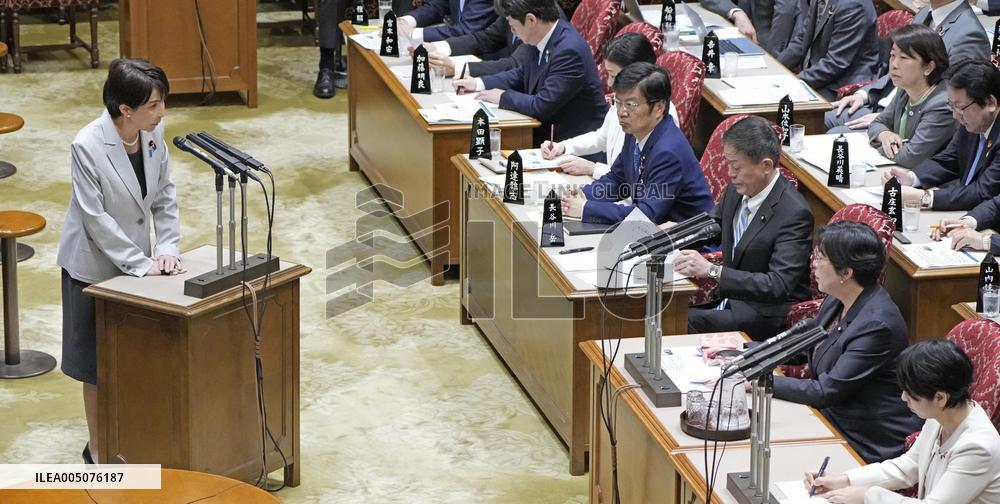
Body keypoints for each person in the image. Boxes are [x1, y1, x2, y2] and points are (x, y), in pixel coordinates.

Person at [57, 58, 184, 464]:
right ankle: (98, 451)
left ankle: (128, 438)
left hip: (138, 262)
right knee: (95, 367)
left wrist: (166, 249)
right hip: (92, 266)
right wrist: (140, 262)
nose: (162, 113)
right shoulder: (87, 145)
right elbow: (95, 220)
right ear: (125, 110)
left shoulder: (152, 132)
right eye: (153, 105)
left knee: (133, 356)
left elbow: (164, 196)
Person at [772, 221, 923, 463]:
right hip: (832, 417)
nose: (813, 263)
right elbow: (800, 345)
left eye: (821, 258)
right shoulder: (839, 299)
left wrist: (762, 382)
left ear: (846, 272)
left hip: (866, 438)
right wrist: (745, 355)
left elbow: (826, 391)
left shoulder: (877, 325)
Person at [805, 339, 1000, 503]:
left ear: (940, 397)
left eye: (911, 394)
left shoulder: (978, 447)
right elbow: (908, 466)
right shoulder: (942, 414)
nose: (903, 398)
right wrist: (844, 480)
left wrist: (868, 496)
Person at [674, 116, 814, 341]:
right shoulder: (738, 188)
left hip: (763, 314)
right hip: (729, 299)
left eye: (735, 166)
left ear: (766, 166)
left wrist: (712, 271)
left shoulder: (794, 213)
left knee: (678, 321)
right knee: (664, 308)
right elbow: (711, 225)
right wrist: (668, 238)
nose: (729, 173)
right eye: (728, 164)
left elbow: (778, 284)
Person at [559, 62, 713, 224]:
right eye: (617, 103)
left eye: (631, 105)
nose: (621, 113)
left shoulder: (668, 152)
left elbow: (646, 214)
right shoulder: (636, 132)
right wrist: (583, 195)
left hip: (687, 241)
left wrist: (585, 208)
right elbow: (617, 179)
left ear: (659, 108)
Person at [452, 0, 607, 145]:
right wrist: (478, 83)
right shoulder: (543, 36)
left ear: (531, 20)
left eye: (513, 26)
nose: (513, 32)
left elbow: (542, 105)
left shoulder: (568, 51)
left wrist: (502, 97)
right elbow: (521, 74)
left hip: (570, 144)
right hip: (545, 134)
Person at [826, 0, 989, 132]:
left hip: (915, 122)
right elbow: (900, 66)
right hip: (888, 105)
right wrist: (863, 94)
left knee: (836, 136)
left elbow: (952, 97)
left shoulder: (969, 34)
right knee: (824, 118)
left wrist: (888, 119)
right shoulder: (925, 13)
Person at [537, 33, 679, 178]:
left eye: (615, 76)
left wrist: (593, 168)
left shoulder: (658, 113)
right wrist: (564, 147)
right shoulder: (623, 99)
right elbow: (602, 137)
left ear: (638, 73)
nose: (610, 83)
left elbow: (641, 180)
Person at [882, 60, 1000, 211]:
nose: (955, 116)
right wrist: (911, 178)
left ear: (990, 102)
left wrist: (924, 198)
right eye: (951, 106)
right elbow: (947, 160)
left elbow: (983, 192)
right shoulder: (971, 122)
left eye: (960, 107)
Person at [868, 25, 954, 169]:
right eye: (892, 55)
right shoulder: (905, 88)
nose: (894, 64)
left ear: (928, 67)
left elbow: (911, 157)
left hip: (927, 182)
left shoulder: (941, 105)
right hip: (899, 168)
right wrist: (885, 135)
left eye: (904, 58)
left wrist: (882, 147)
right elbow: (877, 123)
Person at [776, 0, 879, 101]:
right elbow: (802, 39)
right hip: (819, 72)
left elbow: (835, 63)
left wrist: (794, 82)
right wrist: (775, 68)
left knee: (782, 104)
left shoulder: (853, 5)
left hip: (841, 84)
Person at [700, 0, 805, 56]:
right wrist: (737, 12)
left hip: (774, 46)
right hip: (742, 40)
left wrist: (774, 57)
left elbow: (786, 12)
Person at [398, 0, 498, 45]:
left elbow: (466, 30)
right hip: (454, 48)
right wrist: (407, 20)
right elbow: (437, 6)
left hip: (482, 59)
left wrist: (414, 33)